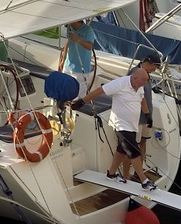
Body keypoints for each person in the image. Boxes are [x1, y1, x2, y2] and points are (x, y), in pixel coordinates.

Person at [75, 53, 158, 188]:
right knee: (134, 151)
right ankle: (144, 181)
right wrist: (82, 101)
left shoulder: (140, 85)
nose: (142, 86)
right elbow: (99, 91)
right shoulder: (119, 83)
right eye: (142, 82)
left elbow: (142, 99)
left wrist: (147, 115)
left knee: (121, 150)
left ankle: (111, 174)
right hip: (120, 124)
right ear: (134, 78)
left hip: (132, 125)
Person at [64, 18, 97, 94]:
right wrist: (63, 59)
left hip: (81, 68)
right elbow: (67, 42)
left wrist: (78, 40)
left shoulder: (88, 30)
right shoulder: (69, 27)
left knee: (79, 93)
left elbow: (89, 46)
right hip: (68, 65)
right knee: (65, 89)